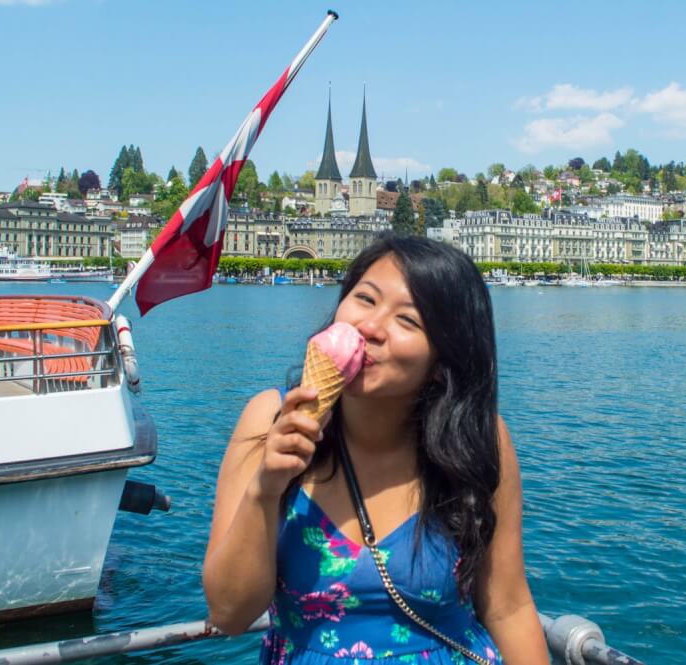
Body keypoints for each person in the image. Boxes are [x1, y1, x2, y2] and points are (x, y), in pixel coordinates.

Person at [204, 234, 549, 664]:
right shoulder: (267, 418)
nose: (370, 327)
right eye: (364, 298)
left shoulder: (481, 439)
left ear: (443, 363)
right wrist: (266, 488)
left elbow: (508, 607)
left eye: (408, 321)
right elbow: (230, 614)